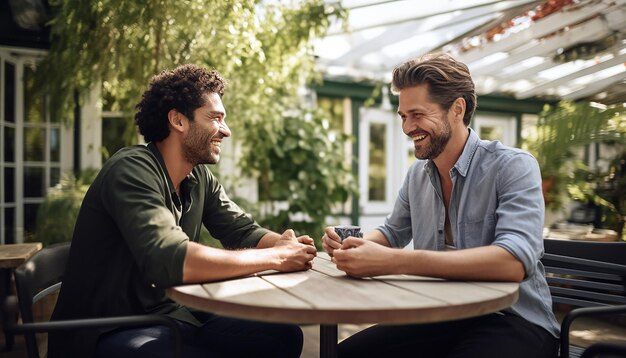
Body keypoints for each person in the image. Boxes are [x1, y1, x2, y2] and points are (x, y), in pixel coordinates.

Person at [48, 64, 317, 358]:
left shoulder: (198, 179)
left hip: (167, 317)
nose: (225, 131)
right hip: (107, 331)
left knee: (281, 336)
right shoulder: (132, 169)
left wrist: (285, 244)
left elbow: (242, 230)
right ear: (178, 120)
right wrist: (276, 257)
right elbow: (170, 257)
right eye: (215, 118)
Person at [322, 53, 560, 358]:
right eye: (403, 116)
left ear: (457, 109)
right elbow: (392, 232)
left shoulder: (513, 166)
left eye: (417, 114)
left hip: (514, 321)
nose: (408, 127)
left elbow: (512, 263)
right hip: (439, 316)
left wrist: (395, 261)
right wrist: (354, 246)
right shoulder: (416, 176)